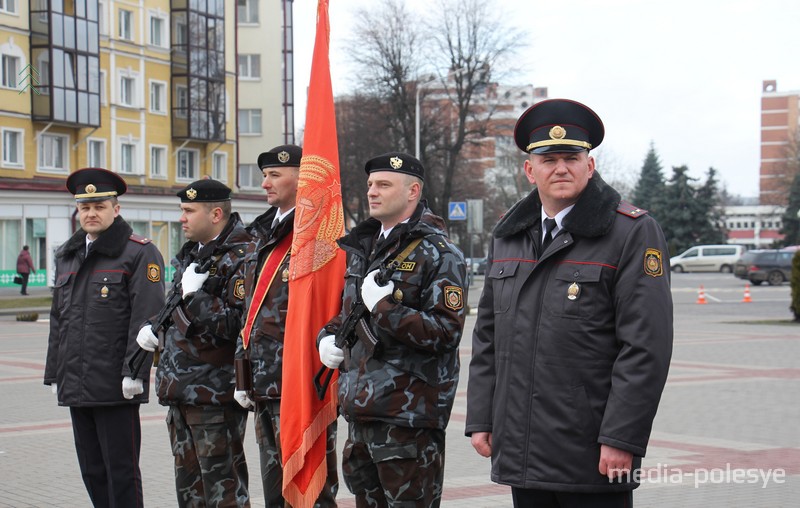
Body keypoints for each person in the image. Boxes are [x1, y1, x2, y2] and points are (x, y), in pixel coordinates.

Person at [465, 99, 674, 507]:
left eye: (571, 157)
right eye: (547, 159)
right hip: (522, 450)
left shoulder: (630, 232)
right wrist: (481, 418)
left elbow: (645, 347)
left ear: (590, 165)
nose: (560, 168)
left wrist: (621, 438)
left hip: (592, 454)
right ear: (530, 170)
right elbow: (488, 336)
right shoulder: (508, 236)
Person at [317, 152, 467, 507]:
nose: (372, 192)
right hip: (361, 414)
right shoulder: (364, 248)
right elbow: (350, 313)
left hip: (408, 419)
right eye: (370, 184)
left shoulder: (438, 252)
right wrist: (327, 336)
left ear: (413, 191)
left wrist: (386, 309)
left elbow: (446, 332)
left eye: (384, 185)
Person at [43, 167, 166, 508]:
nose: (91, 213)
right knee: (92, 471)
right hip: (77, 384)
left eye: (99, 206)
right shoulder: (67, 256)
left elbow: (148, 320)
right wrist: (55, 371)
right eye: (85, 207)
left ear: (117, 208)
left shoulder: (139, 253)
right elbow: (59, 319)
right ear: (77, 210)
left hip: (115, 386)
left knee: (122, 473)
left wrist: (135, 372)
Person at [136, 179, 253, 507]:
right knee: (190, 494)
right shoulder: (192, 255)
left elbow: (238, 324)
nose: (182, 218)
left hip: (214, 397)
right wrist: (152, 327)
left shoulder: (242, 255)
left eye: (189, 211)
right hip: (181, 392)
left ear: (216, 213)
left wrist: (197, 296)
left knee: (223, 493)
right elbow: (176, 311)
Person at [234, 145, 338, 507]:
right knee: (275, 495)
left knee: (311, 494)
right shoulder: (262, 234)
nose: (265, 183)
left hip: (301, 384)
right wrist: (242, 376)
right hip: (266, 386)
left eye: (275, 174)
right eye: (264, 175)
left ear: (303, 177)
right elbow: (250, 312)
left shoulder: (319, 235)